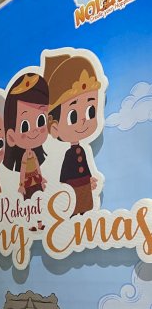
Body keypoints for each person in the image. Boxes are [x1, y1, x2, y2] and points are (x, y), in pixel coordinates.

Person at [45, 53, 101, 216]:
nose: (83, 120)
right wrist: (65, 188)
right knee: (76, 209)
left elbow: (87, 169)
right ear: (54, 128)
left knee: (86, 207)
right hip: (73, 189)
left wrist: (90, 179)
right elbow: (64, 175)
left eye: (91, 110)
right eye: (73, 116)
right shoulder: (69, 154)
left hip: (84, 187)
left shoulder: (82, 151)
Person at [3, 73, 49, 200]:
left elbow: (37, 167)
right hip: (28, 183)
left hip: (36, 180)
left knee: (40, 200)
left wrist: (41, 178)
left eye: (41, 121)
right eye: (24, 126)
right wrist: (21, 184)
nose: (34, 131)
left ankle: (39, 220)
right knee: (30, 201)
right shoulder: (25, 156)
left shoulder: (33, 155)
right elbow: (23, 170)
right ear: (11, 137)